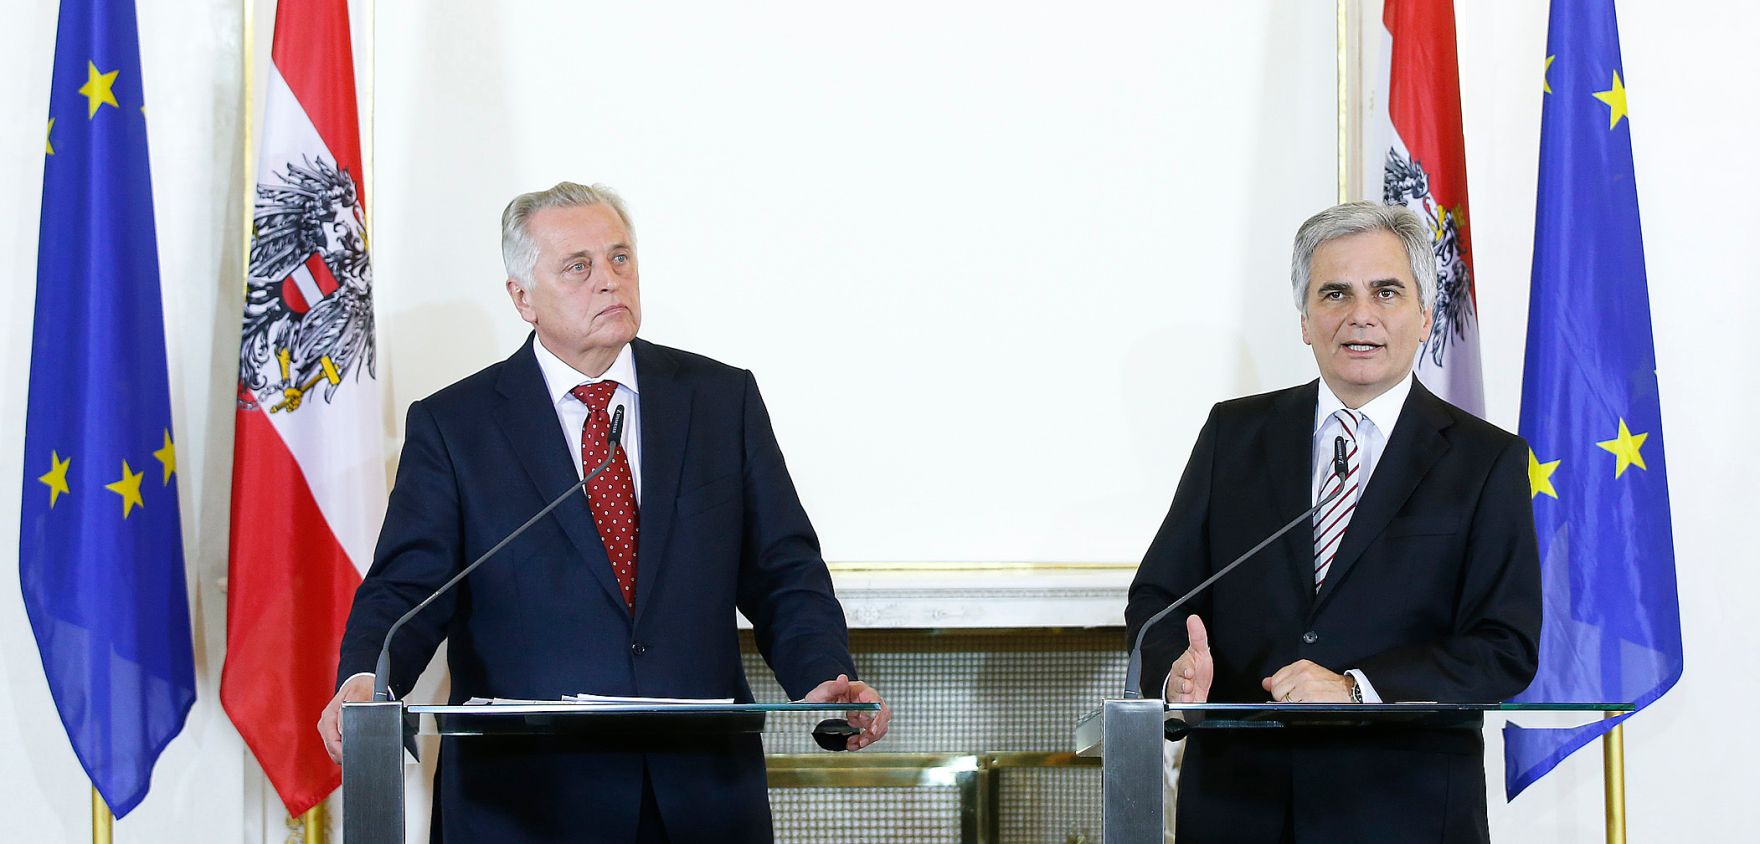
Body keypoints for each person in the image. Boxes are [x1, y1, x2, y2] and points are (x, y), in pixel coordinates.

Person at [316, 182, 889, 842]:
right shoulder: (457, 426)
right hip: (523, 806)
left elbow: (783, 571)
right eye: (579, 266)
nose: (609, 281)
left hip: (699, 799)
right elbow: (407, 589)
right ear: (522, 297)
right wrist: (367, 677)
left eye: (620, 258)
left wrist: (822, 676)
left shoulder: (719, 401)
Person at [1126, 201, 1540, 842]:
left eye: (1386, 291)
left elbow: (1504, 646)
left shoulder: (1487, 461)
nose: (1360, 315)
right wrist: (1175, 668)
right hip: (1240, 808)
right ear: (1305, 319)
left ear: (1426, 316)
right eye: (1335, 293)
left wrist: (1357, 688)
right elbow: (1159, 599)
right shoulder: (1232, 436)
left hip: (1403, 809)